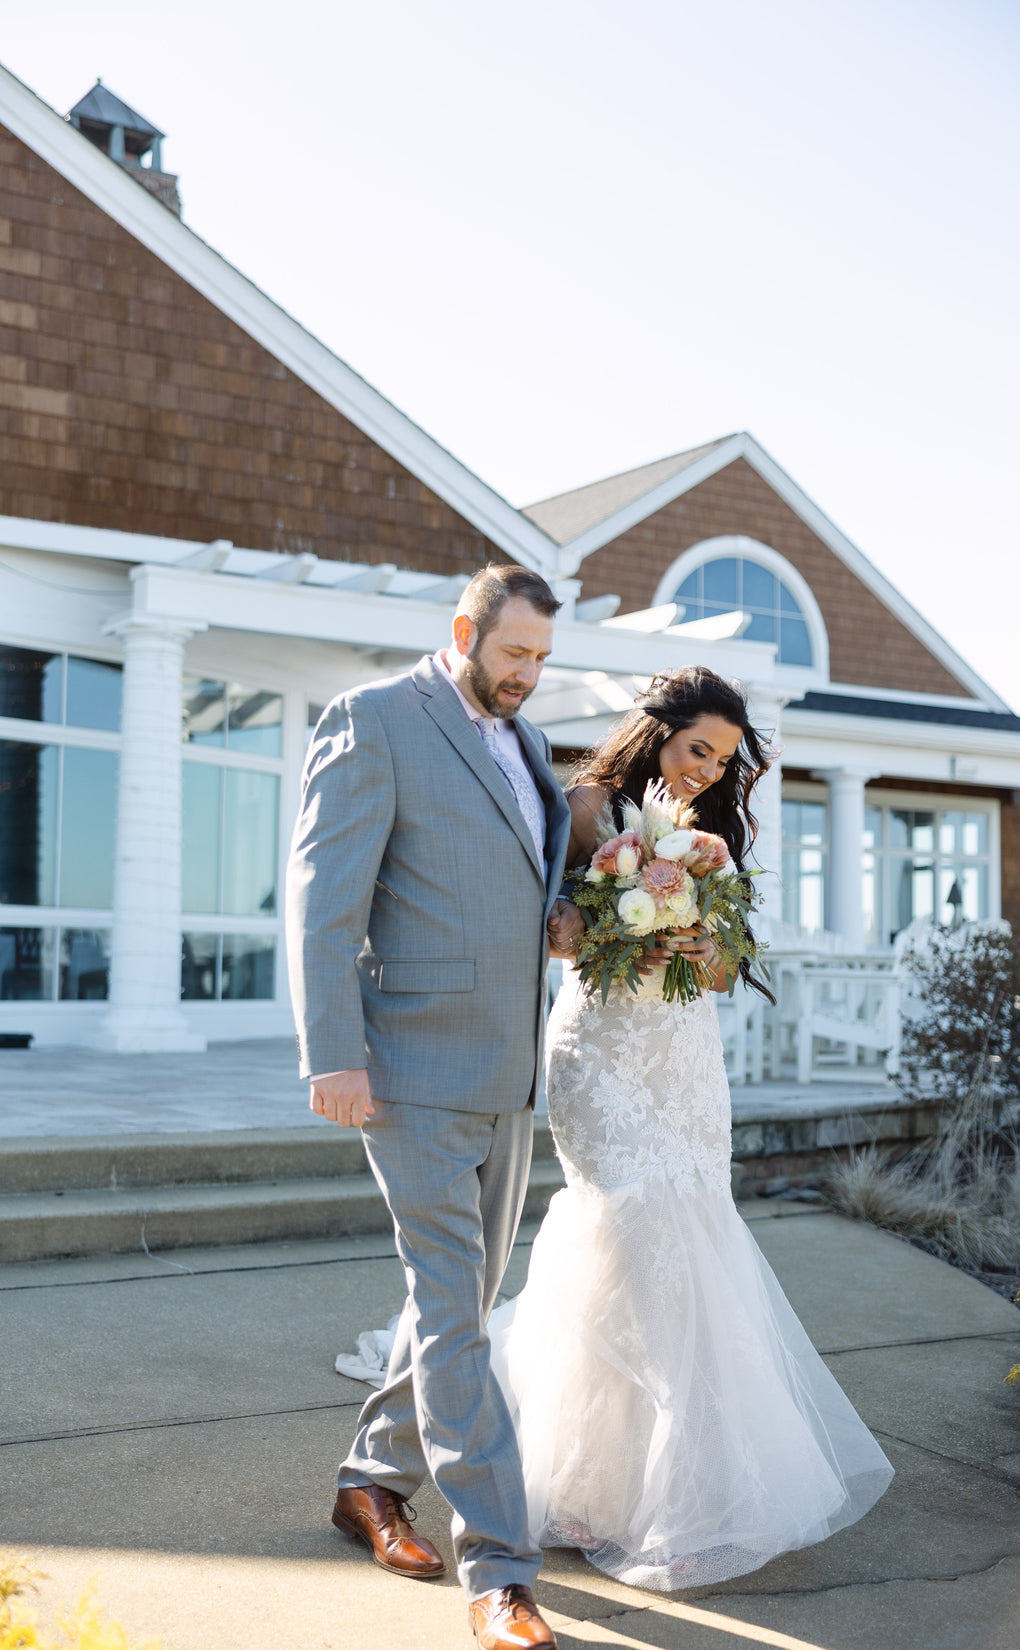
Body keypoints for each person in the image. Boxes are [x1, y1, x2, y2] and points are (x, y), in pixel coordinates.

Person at [490, 665, 894, 1591]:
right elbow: (546, 927)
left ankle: (666, 1489)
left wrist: (699, 942)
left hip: (682, 1054)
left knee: (689, 1237)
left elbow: (720, 973)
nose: (709, 769)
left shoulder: (710, 843)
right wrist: (609, 925)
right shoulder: (584, 805)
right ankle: (595, 1481)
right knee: (626, 1233)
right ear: (656, 732)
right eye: (697, 749)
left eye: (722, 758)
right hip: (601, 1051)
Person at [286, 563, 584, 1650]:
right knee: (459, 1320)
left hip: (509, 1073)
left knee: (448, 1305)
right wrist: (334, 1054)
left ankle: (367, 1480)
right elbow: (324, 903)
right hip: (406, 1073)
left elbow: (507, 878)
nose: (528, 675)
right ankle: (500, 1572)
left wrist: (559, 919)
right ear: (463, 629)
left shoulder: (528, 745)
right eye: (514, 653)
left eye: (542, 659)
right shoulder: (374, 721)